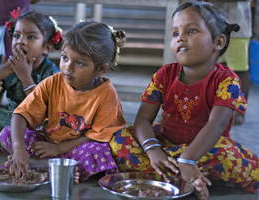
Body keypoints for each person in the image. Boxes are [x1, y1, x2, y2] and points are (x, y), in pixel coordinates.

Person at [109, 2, 258, 200]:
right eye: (175, 33)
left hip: (205, 151)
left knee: (233, 158)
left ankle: (173, 174)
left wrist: (188, 159)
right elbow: (143, 120)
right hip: (165, 146)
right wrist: (153, 150)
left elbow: (217, 124)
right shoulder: (164, 75)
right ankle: (185, 175)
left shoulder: (227, 80)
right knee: (118, 140)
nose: (180, 38)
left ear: (219, 42)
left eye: (192, 30)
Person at [0, 20, 127, 182]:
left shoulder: (107, 94)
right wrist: (19, 150)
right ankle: (53, 168)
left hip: (78, 149)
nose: (67, 67)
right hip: (45, 144)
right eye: (65, 57)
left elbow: (97, 136)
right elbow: (21, 115)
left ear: (101, 69)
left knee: (99, 152)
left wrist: (58, 148)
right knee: (9, 133)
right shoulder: (52, 83)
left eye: (79, 63)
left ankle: (46, 167)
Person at [0, 10, 62, 148]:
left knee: (47, 127)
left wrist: (25, 78)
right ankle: (8, 140)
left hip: (38, 123)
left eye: (30, 37)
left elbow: (44, 113)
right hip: (12, 118)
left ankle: (3, 140)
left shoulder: (52, 73)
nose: (21, 42)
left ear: (46, 48)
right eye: (17, 35)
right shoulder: (9, 68)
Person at [197, 0, 252, 126]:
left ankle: (238, 111)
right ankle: (214, 109)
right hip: (211, 25)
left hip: (236, 27)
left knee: (239, 69)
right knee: (213, 69)